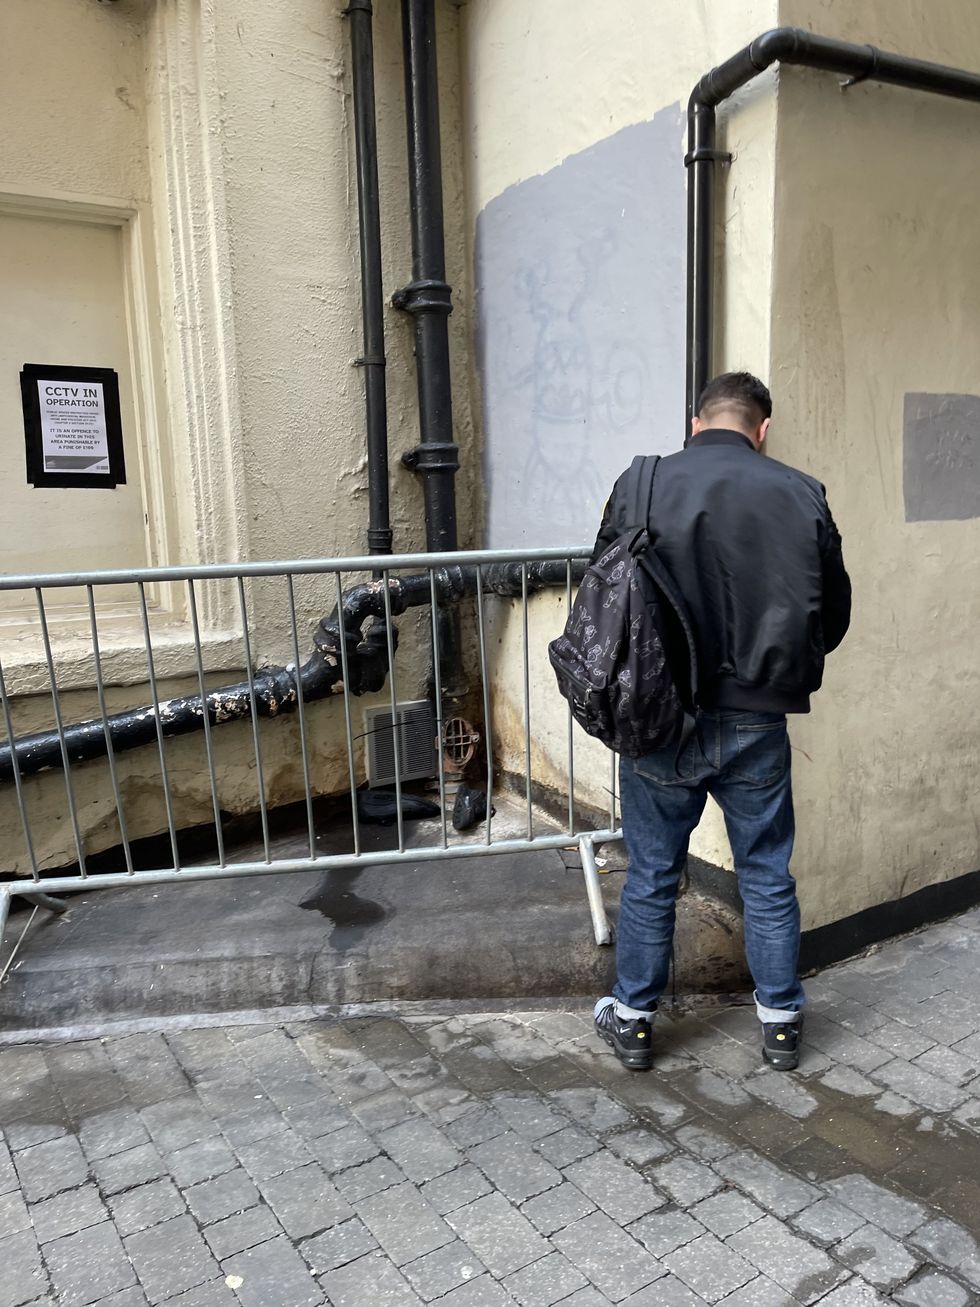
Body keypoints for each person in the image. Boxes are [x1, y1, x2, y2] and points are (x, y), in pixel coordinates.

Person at [591, 372, 851, 1072]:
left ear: (696, 420)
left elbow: (604, 593)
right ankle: (782, 1026)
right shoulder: (802, 493)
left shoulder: (641, 482)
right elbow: (833, 619)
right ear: (761, 429)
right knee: (767, 874)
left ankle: (637, 1022)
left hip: (658, 718)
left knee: (652, 873)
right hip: (757, 719)